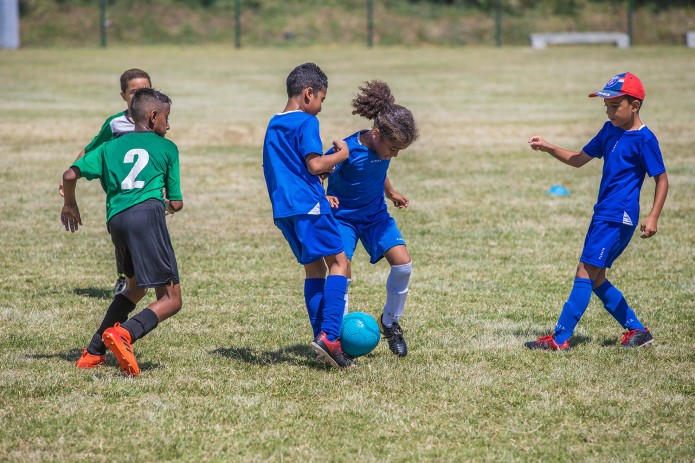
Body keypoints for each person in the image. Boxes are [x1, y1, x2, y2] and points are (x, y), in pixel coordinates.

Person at [525, 72, 668, 350]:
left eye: (615, 106)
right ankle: (638, 330)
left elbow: (661, 178)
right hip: (603, 213)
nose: (609, 111)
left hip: (618, 216)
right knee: (597, 276)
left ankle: (560, 339)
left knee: (585, 271)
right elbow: (579, 159)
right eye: (607, 106)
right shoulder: (609, 130)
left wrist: (654, 215)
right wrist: (549, 147)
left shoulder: (645, 139)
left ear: (635, 105)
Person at [61, 88, 183, 377]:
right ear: (153, 117)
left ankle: (93, 352)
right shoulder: (167, 147)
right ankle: (125, 334)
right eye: (167, 118)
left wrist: (70, 205)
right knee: (171, 299)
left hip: (117, 219)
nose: (169, 125)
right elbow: (176, 203)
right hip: (147, 216)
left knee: (136, 286)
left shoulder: (109, 147)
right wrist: (164, 204)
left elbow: (69, 174)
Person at [262, 62, 354, 368]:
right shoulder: (306, 122)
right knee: (339, 263)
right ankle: (329, 334)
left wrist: (318, 191)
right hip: (308, 206)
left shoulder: (274, 123)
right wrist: (341, 154)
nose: (321, 107)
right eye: (322, 100)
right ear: (308, 93)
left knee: (315, 271)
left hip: (286, 209)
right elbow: (315, 165)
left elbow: (290, 169)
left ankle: (322, 342)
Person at [325, 80, 419, 357]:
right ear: (376, 134)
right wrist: (323, 197)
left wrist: (391, 193)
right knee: (342, 273)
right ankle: (337, 335)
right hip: (343, 219)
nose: (395, 155)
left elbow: (378, 171)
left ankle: (390, 323)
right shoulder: (347, 150)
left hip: (376, 216)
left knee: (403, 265)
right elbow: (317, 171)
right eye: (393, 148)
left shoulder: (383, 149)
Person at [59, 68, 153, 296]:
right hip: (120, 194)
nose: (140, 95)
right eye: (133, 92)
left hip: (148, 191)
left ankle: (147, 276)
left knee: (148, 235)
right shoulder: (114, 124)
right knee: (124, 238)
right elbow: (90, 150)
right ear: (123, 95)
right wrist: (71, 173)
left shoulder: (156, 119)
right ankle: (125, 277)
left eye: (145, 90)